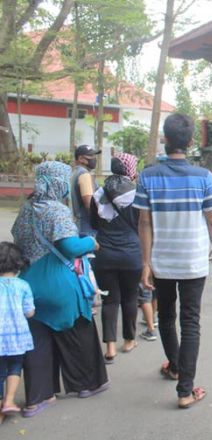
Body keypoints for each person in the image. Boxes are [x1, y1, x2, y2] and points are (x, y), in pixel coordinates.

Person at [134, 113, 212, 409]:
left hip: (162, 262)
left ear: (166, 138)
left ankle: (175, 366)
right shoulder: (203, 177)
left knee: (167, 317)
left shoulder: (148, 175)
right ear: (190, 142)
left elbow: (144, 223)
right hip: (193, 262)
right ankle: (185, 389)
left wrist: (145, 263)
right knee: (190, 322)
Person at [12, 161, 109, 418]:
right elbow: (70, 248)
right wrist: (91, 241)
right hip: (59, 284)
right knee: (79, 330)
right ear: (58, 183)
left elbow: (18, 243)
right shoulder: (56, 211)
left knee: (37, 342)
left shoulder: (26, 210)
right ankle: (87, 384)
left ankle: (38, 398)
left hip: (30, 285)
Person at [90, 153, 142, 362]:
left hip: (104, 253)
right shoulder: (137, 194)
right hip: (131, 253)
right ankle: (129, 340)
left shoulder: (99, 192)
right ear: (130, 169)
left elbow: (94, 223)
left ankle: (110, 347)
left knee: (109, 300)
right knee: (130, 297)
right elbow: (142, 223)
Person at [0, 242, 34, 421]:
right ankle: (9, 400)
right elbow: (29, 312)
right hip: (17, 337)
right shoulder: (23, 286)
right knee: (14, 366)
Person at [71, 145, 101, 237]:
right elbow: (89, 203)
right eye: (91, 156)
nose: (94, 159)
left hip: (77, 225)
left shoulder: (73, 173)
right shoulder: (84, 174)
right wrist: (99, 222)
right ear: (81, 158)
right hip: (86, 228)